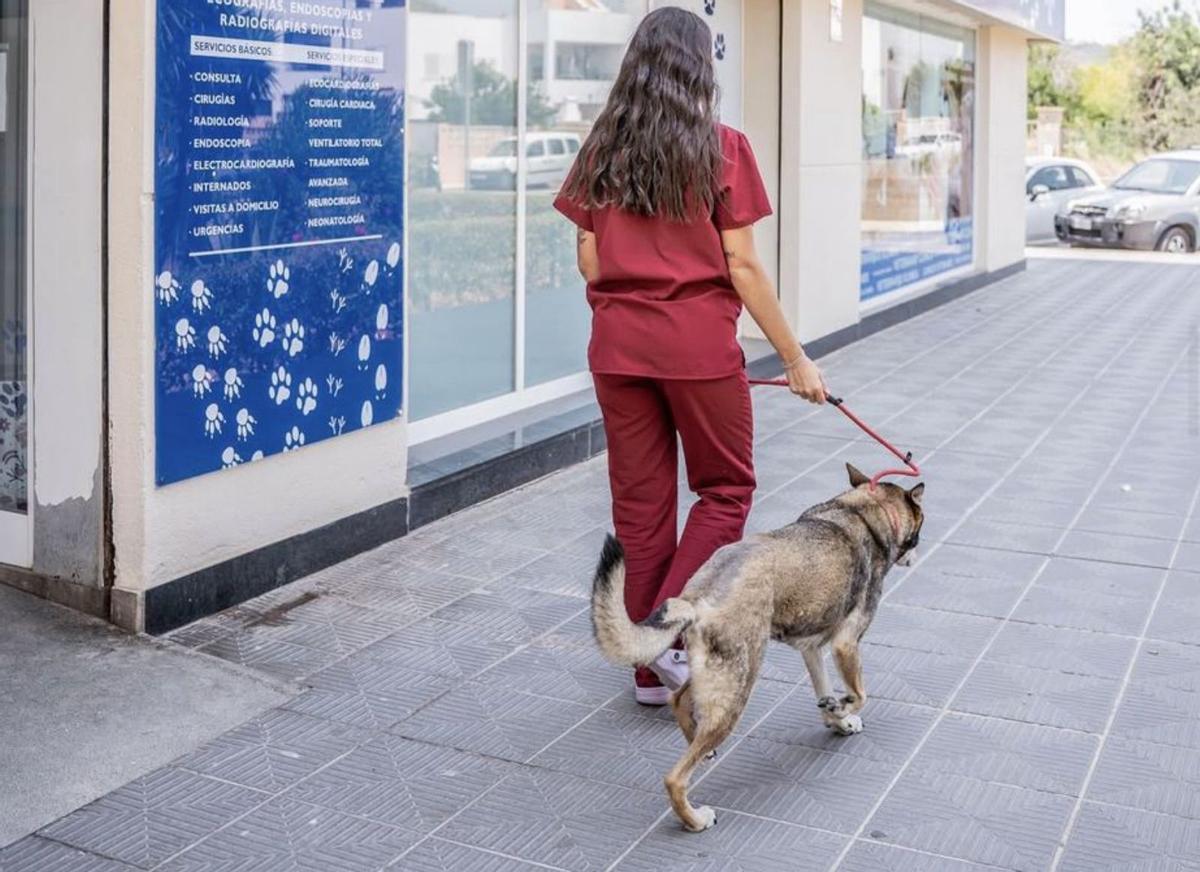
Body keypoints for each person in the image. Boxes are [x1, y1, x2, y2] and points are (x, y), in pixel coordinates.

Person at [554, 6, 826, 705]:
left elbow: (588, 261)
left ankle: (650, 671)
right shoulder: (723, 148)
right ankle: (669, 640)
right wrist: (795, 357)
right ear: (701, 69)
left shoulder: (601, 149)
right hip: (699, 350)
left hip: (618, 350)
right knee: (725, 490)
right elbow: (743, 266)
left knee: (641, 511)